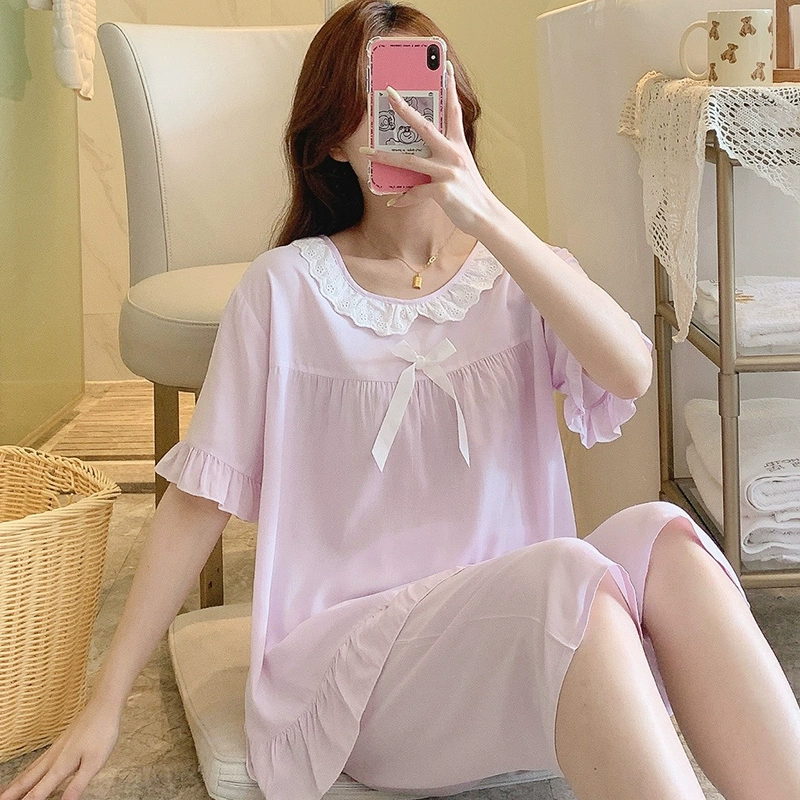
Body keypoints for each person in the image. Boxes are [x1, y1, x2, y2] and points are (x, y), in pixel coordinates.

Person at [4, 2, 800, 799]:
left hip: (515, 643)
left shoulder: (518, 273)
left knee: (668, 540)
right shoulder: (286, 292)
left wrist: (485, 214)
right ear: (331, 139)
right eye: (379, 102)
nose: (408, 122)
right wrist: (104, 702)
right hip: (356, 671)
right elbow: (196, 503)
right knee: (567, 576)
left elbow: (629, 372)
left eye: (425, 96)